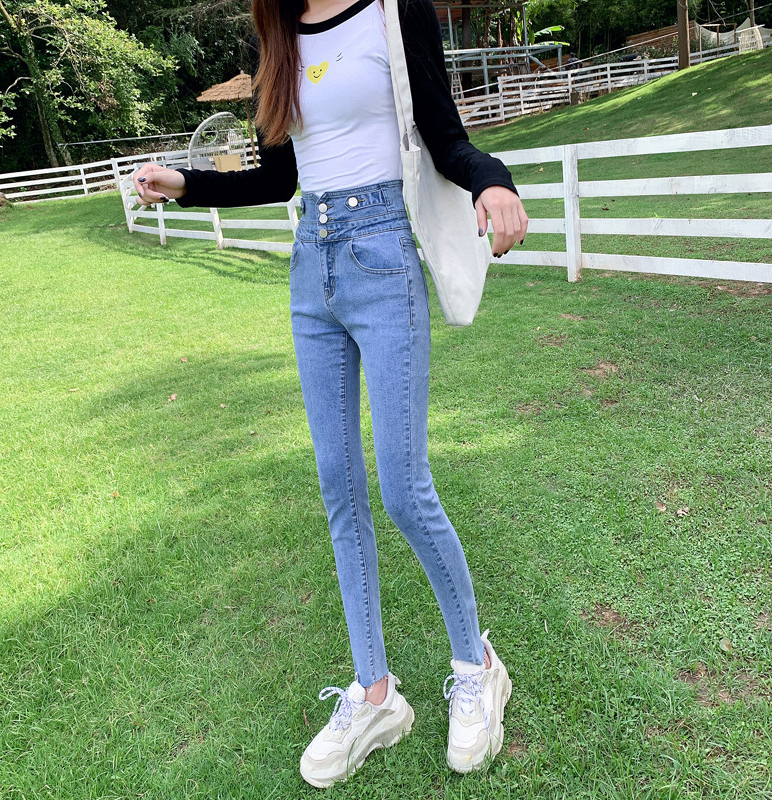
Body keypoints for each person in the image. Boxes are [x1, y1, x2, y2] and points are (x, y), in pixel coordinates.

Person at [133, 0, 528, 788]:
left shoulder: (393, 10)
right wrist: (184, 184)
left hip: (382, 257)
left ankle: (477, 667)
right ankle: (375, 694)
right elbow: (281, 176)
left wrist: (494, 181)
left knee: (404, 490)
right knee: (339, 488)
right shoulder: (277, 33)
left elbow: (444, 135)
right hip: (309, 269)